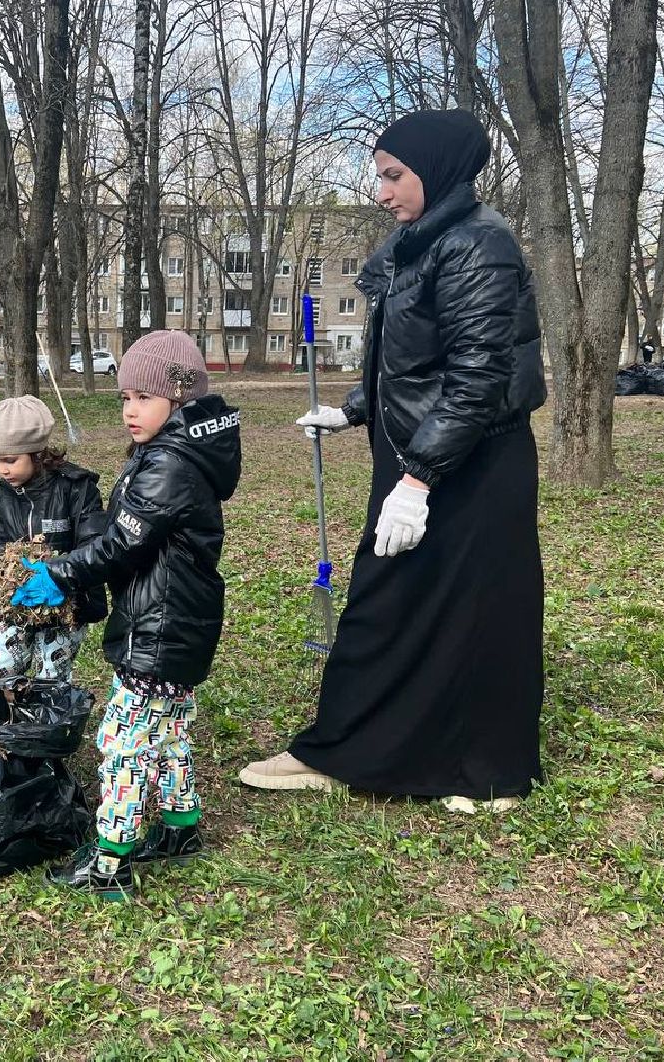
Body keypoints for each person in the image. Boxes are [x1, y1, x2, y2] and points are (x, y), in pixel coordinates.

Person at [239, 109, 547, 813]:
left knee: (475, 611)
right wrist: (351, 409)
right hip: (421, 454)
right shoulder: (422, 244)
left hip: (473, 463)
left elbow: (477, 377)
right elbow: (410, 363)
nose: (380, 191)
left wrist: (418, 481)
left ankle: (485, 770)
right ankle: (345, 746)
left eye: (392, 175)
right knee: (392, 602)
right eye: (379, 174)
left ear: (435, 171)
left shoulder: (479, 245)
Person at [13, 331, 241, 899]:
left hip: (159, 626)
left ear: (180, 398)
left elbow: (121, 543)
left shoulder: (172, 465)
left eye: (143, 397)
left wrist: (59, 574)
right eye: (124, 398)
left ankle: (110, 860)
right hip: (176, 620)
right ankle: (182, 828)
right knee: (168, 733)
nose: (130, 410)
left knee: (124, 742)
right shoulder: (173, 451)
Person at [0, 395, 106, 682]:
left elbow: (94, 542)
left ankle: (48, 722)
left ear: (37, 453)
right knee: (2, 668)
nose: (2, 470)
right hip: (19, 600)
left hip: (65, 600)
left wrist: (63, 576)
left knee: (52, 673)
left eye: (10, 460)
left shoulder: (76, 488)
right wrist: (7, 573)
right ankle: (7, 718)